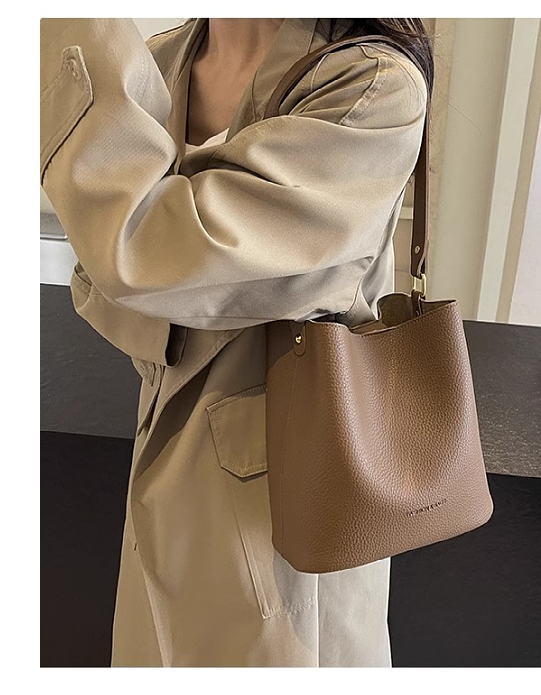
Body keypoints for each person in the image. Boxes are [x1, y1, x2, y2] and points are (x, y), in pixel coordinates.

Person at [40, 17, 432, 667]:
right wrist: (154, 278)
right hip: (164, 461)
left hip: (288, 491)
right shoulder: (161, 57)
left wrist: (65, 22)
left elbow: (132, 254)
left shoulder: (367, 83)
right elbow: (105, 279)